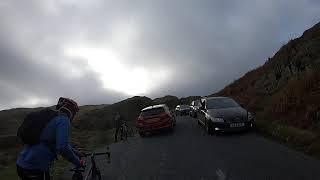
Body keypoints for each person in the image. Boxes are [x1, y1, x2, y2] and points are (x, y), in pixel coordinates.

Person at [16, 97, 85, 180]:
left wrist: (77, 153)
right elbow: (62, 148)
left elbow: (58, 143)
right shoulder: (63, 120)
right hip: (35, 168)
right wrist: (78, 162)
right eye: (75, 112)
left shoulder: (50, 119)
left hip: (22, 163)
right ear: (71, 112)